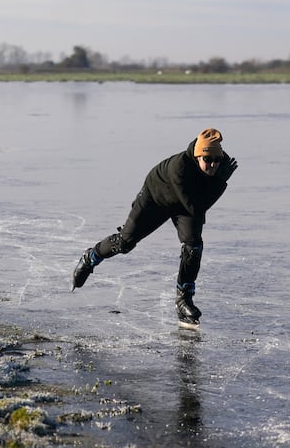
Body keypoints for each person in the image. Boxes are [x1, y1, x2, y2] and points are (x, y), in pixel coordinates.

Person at [72, 128, 238, 328]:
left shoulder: (218, 159)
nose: (213, 164)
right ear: (197, 156)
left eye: (217, 160)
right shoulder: (179, 168)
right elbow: (196, 208)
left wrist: (217, 179)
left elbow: (196, 205)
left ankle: (184, 299)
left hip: (187, 203)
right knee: (125, 242)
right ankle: (91, 257)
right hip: (156, 198)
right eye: (207, 159)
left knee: (193, 246)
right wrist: (220, 182)